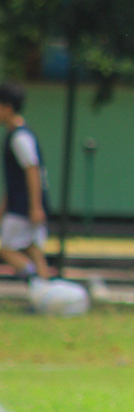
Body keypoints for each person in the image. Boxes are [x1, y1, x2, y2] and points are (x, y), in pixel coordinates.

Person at [0, 82, 49, 281]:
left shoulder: (20, 137)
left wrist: (35, 206)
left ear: (8, 107)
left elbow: (32, 170)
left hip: (23, 205)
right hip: (21, 202)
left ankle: (33, 278)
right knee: (32, 247)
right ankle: (45, 290)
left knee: (4, 247)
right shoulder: (17, 135)